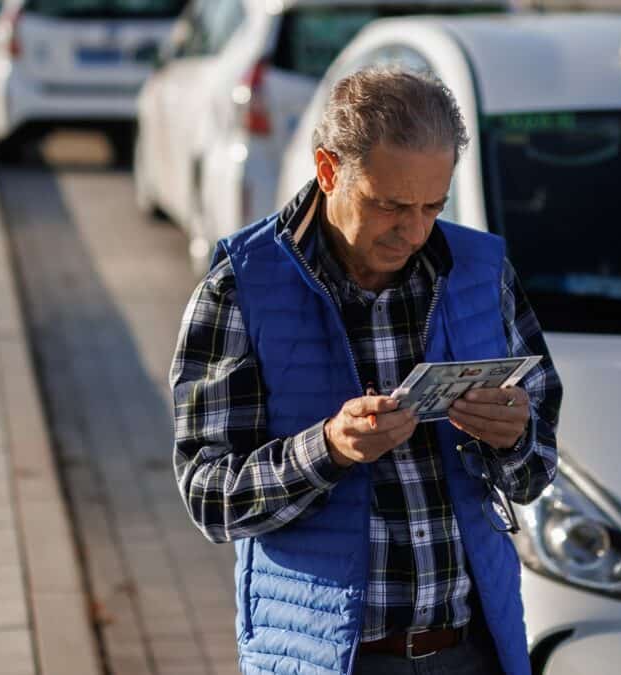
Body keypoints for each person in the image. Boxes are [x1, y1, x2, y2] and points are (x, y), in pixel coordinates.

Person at [170, 66, 562, 675]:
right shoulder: (242, 286)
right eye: (390, 206)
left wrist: (513, 438)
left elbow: (535, 473)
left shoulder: (481, 272)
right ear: (329, 171)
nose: (414, 230)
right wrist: (327, 448)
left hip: (471, 649)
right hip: (329, 658)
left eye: (434, 205)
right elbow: (209, 499)